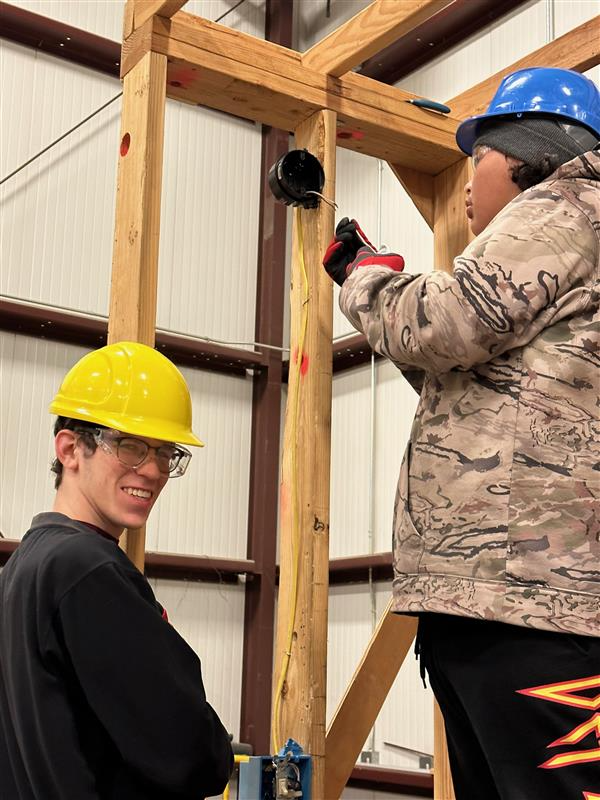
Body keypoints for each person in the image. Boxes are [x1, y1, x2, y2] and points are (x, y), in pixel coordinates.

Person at [323, 67, 600, 799]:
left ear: (527, 154)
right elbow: (485, 380)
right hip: (507, 602)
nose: (468, 186)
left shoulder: (569, 202)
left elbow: (444, 321)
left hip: (531, 607)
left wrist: (362, 277)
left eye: (476, 158)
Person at [0, 341, 234, 799]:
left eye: (166, 453)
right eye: (129, 447)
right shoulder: (87, 571)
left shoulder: (21, 570)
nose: (152, 470)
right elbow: (187, 755)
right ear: (70, 449)